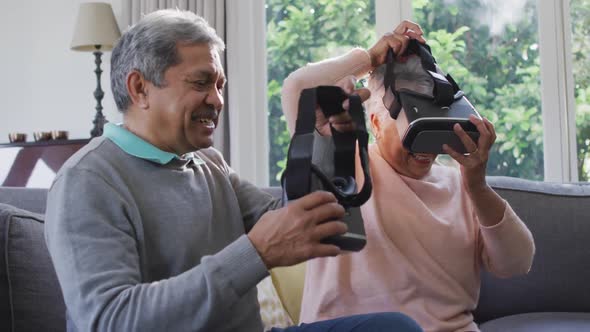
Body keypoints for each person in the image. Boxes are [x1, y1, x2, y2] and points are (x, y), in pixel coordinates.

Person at [44, 9, 423, 332]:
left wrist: (329, 142)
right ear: (140, 88)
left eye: (221, 85)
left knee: (396, 327)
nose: (217, 100)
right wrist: (254, 253)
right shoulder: (87, 181)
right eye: (201, 83)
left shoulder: (208, 163)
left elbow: (310, 223)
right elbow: (110, 319)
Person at [281, 20, 535, 332]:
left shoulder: (463, 184)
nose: (426, 148)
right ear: (375, 124)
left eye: (435, 123)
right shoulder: (344, 165)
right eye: (416, 127)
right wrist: (370, 59)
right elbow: (297, 89)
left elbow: (517, 263)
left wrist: (478, 187)